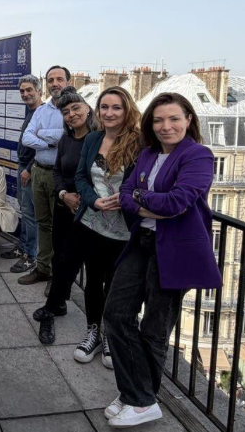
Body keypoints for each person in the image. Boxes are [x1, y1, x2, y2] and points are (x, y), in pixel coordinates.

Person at [103, 92, 222, 428]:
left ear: (188, 120)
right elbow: (125, 194)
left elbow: (177, 203)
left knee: (154, 329)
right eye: (158, 120)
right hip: (142, 243)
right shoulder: (147, 154)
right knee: (116, 314)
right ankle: (137, 392)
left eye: (173, 119)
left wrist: (139, 198)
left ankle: (141, 400)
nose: (165, 126)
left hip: (174, 251)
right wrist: (142, 201)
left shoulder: (198, 155)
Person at [72, 86, 141, 368]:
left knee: (115, 285)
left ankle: (111, 335)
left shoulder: (139, 143)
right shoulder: (93, 139)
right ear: (97, 111)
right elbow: (80, 178)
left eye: (116, 107)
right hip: (92, 223)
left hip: (123, 229)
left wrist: (126, 199)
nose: (109, 113)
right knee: (93, 282)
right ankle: (93, 331)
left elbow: (144, 183)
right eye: (104, 107)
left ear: (127, 110)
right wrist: (94, 201)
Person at [33, 87, 97, 345]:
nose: (71, 114)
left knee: (70, 260)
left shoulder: (97, 140)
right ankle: (58, 304)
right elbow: (57, 171)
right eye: (66, 111)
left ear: (87, 109)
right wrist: (62, 194)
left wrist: (79, 198)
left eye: (75, 108)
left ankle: (51, 308)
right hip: (63, 206)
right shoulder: (66, 140)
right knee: (60, 257)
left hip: (86, 211)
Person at [18, 65, 70, 290]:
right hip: (39, 171)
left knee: (60, 228)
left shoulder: (74, 108)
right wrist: (51, 142)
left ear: (68, 82)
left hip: (60, 176)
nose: (55, 83)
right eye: (50, 80)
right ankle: (42, 268)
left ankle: (57, 278)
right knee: (43, 224)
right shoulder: (41, 110)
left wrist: (42, 134)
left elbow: (68, 136)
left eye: (59, 79)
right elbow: (26, 138)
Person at [1, 75, 43, 273]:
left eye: (29, 90)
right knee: (25, 210)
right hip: (23, 166)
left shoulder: (42, 114)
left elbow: (45, 147)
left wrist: (29, 169)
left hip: (30, 169)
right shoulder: (31, 112)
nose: (25, 94)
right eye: (22, 91)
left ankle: (31, 256)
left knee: (30, 214)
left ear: (39, 90)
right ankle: (23, 247)